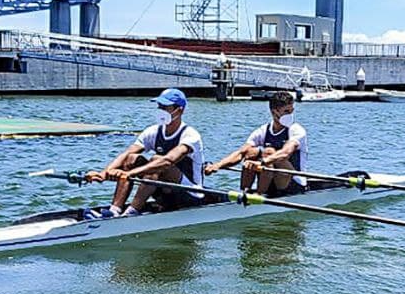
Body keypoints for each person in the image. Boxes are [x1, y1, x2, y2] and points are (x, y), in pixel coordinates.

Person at [83, 89, 205, 218]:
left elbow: (168, 161)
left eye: (165, 107)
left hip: (190, 195)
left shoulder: (191, 135)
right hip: (163, 191)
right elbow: (128, 153)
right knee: (131, 159)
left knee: (157, 160)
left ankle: (131, 213)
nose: (160, 110)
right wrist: (104, 173)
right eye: (159, 106)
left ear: (179, 110)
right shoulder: (153, 131)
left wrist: (129, 174)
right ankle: (115, 210)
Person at [204, 91, 307, 196]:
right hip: (271, 180)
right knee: (251, 152)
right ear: (274, 112)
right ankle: (245, 192)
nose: (290, 115)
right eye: (286, 111)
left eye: (291, 111)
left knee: (268, 152)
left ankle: (259, 194)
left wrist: (262, 162)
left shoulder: (296, 130)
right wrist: (218, 165)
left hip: (293, 183)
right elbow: (241, 153)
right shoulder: (263, 130)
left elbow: (286, 152)